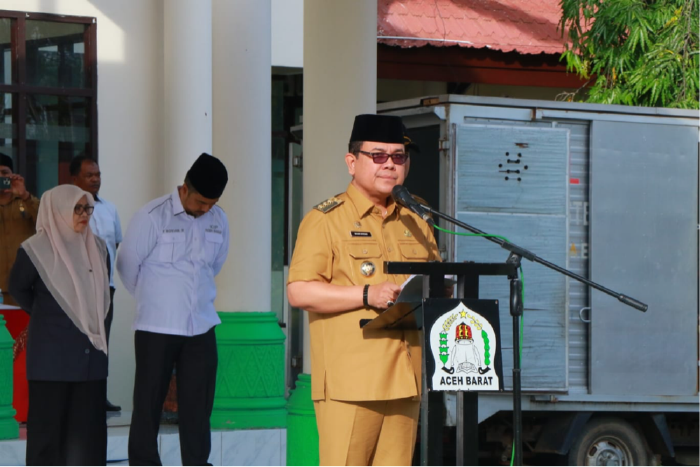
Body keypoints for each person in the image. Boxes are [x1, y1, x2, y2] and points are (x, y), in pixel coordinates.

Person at [287, 114, 440, 466]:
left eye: (398, 156)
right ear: (352, 162)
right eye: (378, 155)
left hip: (406, 380)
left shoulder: (417, 218)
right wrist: (366, 294)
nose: (390, 165)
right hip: (351, 384)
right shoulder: (326, 220)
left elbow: (434, 284)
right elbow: (299, 292)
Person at [117, 153, 229, 467]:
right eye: (201, 202)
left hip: (201, 326)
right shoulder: (152, 216)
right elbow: (126, 265)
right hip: (156, 326)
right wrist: (156, 298)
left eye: (212, 203)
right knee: (148, 404)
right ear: (185, 188)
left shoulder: (219, 219)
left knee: (198, 407)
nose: (205, 209)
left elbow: (215, 265)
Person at [8, 184, 111, 467]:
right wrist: (50, 313)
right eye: (76, 208)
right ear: (58, 210)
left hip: (90, 356)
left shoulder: (98, 247)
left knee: (87, 439)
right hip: (51, 359)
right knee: (47, 439)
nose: (84, 214)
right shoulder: (36, 250)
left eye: (87, 208)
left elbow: (104, 294)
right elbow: (18, 288)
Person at [70, 155, 123, 412]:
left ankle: (99, 396)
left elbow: (115, 244)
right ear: (74, 179)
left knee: (102, 344)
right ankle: (76, 399)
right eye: (89, 175)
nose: (95, 179)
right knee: (77, 342)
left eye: (98, 174)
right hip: (76, 288)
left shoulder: (110, 208)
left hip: (105, 288)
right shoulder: (67, 209)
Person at [0, 153, 39, 305]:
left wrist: (24, 195)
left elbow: (45, 221)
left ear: (13, 175)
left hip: (23, 287)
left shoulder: (26, 201)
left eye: (5, 173)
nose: (1, 177)